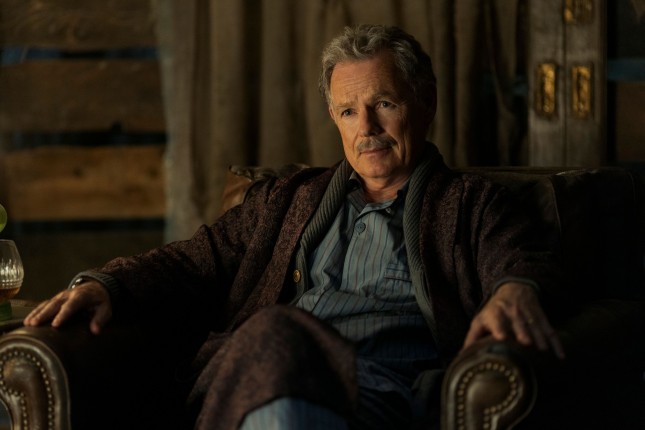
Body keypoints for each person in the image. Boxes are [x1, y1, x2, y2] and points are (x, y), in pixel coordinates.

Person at [25, 24, 564, 429]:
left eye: (383, 103)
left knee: (275, 334)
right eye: (349, 111)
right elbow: (193, 260)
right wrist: (107, 284)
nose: (367, 128)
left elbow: (519, 256)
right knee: (275, 345)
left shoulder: (471, 204)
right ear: (334, 119)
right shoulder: (287, 199)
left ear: (426, 104)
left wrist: (516, 287)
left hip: (377, 392)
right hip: (260, 373)